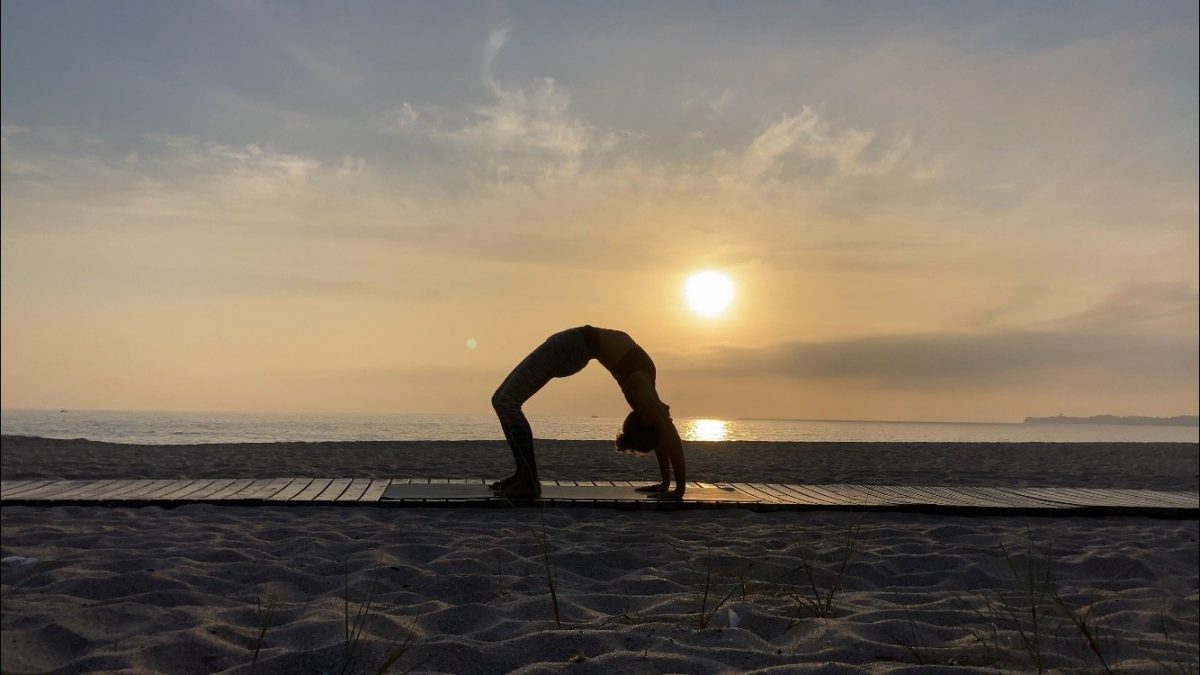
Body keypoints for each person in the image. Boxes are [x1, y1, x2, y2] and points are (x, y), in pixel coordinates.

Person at [490, 326, 686, 498]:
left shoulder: (646, 400)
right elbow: (669, 438)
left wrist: (669, 484)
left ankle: (527, 480)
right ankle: (524, 477)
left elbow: (662, 435)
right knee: (501, 400)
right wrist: (677, 489)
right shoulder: (645, 399)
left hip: (572, 345)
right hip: (572, 345)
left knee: (505, 402)